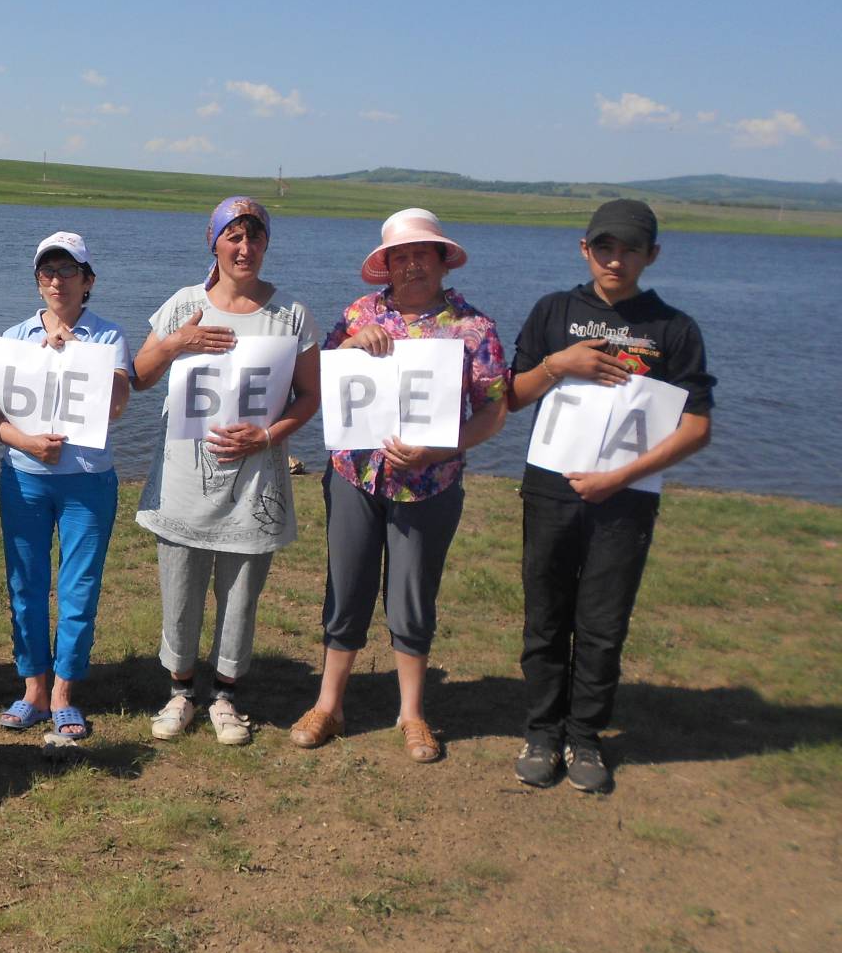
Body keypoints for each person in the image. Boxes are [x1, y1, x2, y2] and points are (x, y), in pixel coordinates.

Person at [506, 199, 713, 793]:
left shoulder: (674, 329)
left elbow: (697, 428)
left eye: (628, 249)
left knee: (601, 624)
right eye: (604, 247)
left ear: (652, 255)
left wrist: (619, 479)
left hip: (625, 500)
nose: (614, 259)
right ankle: (542, 733)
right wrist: (557, 364)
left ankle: (586, 738)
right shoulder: (554, 310)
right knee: (545, 618)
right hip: (550, 489)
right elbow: (512, 397)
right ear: (584, 249)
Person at [289, 209, 507, 763]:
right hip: (355, 477)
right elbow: (325, 380)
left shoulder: (472, 328)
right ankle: (329, 705)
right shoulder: (359, 314)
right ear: (386, 266)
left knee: (412, 596)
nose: (411, 265)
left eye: (422, 254)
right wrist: (349, 345)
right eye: (400, 257)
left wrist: (444, 446)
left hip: (430, 484)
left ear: (440, 261)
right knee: (347, 587)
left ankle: (411, 713)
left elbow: (493, 412)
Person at [132, 196, 320, 745]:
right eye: (234, 237)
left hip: (254, 481)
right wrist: (176, 343)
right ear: (213, 242)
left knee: (241, 594)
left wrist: (267, 435)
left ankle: (227, 698)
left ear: (266, 244)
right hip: (184, 481)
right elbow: (139, 377)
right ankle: (181, 690)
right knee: (181, 588)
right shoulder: (183, 304)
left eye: (255, 237)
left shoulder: (291, 315)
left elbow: (308, 397)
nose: (245, 248)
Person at [0, 231, 130, 746]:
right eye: (47, 270)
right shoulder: (15, 337)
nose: (56, 280)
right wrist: (26, 441)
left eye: (68, 270)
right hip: (24, 478)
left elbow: (114, 406)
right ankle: (33, 685)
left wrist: (73, 355)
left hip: (87, 482)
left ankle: (65, 689)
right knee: (25, 584)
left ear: (87, 280)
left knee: (78, 587)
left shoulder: (107, 338)